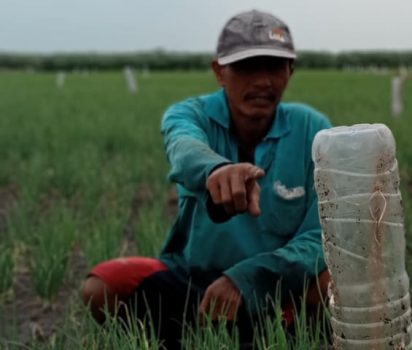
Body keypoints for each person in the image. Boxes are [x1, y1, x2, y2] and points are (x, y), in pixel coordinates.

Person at [81, 9, 332, 349]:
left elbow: (323, 235)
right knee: (102, 287)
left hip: (276, 287)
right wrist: (215, 170)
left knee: (334, 283)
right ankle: (184, 339)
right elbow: (184, 147)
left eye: (273, 66)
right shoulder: (191, 114)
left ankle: (287, 340)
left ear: (290, 70)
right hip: (196, 283)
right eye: (245, 66)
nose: (261, 81)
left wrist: (247, 277)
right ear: (219, 72)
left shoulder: (312, 130)